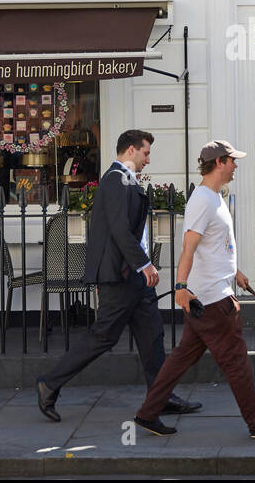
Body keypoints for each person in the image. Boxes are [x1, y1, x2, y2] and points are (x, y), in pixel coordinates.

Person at [134, 141, 255, 440]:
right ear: (219, 162)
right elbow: (189, 248)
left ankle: (147, 413)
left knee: (182, 357)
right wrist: (180, 287)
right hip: (212, 299)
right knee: (236, 362)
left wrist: (235, 272)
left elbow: (213, 245)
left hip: (210, 293)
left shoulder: (215, 197)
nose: (236, 166)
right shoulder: (203, 201)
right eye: (233, 161)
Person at [36, 129, 201, 421]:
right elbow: (119, 230)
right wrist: (145, 265)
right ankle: (49, 383)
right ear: (130, 151)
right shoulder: (115, 180)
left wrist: (143, 266)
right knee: (104, 337)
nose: (148, 159)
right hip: (121, 276)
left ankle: (161, 396)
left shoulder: (124, 180)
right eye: (146, 152)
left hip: (135, 277)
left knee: (152, 336)